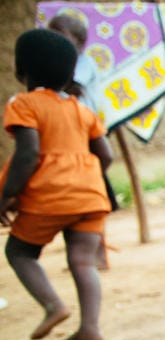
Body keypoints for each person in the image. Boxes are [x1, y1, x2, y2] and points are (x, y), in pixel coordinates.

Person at [1, 28, 113, 340]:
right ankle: (90, 327)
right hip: (91, 196)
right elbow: (106, 154)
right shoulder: (82, 109)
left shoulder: (23, 104)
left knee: (20, 252)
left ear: (21, 70)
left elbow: (28, 153)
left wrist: (8, 194)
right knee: (83, 260)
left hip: (48, 196)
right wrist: (87, 180)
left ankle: (53, 305)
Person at [47, 13, 119, 212]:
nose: (54, 38)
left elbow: (74, 87)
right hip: (72, 124)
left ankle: (96, 200)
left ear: (78, 41)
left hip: (84, 124)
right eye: (50, 33)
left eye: (59, 33)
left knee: (93, 165)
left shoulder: (82, 62)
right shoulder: (65, 64)